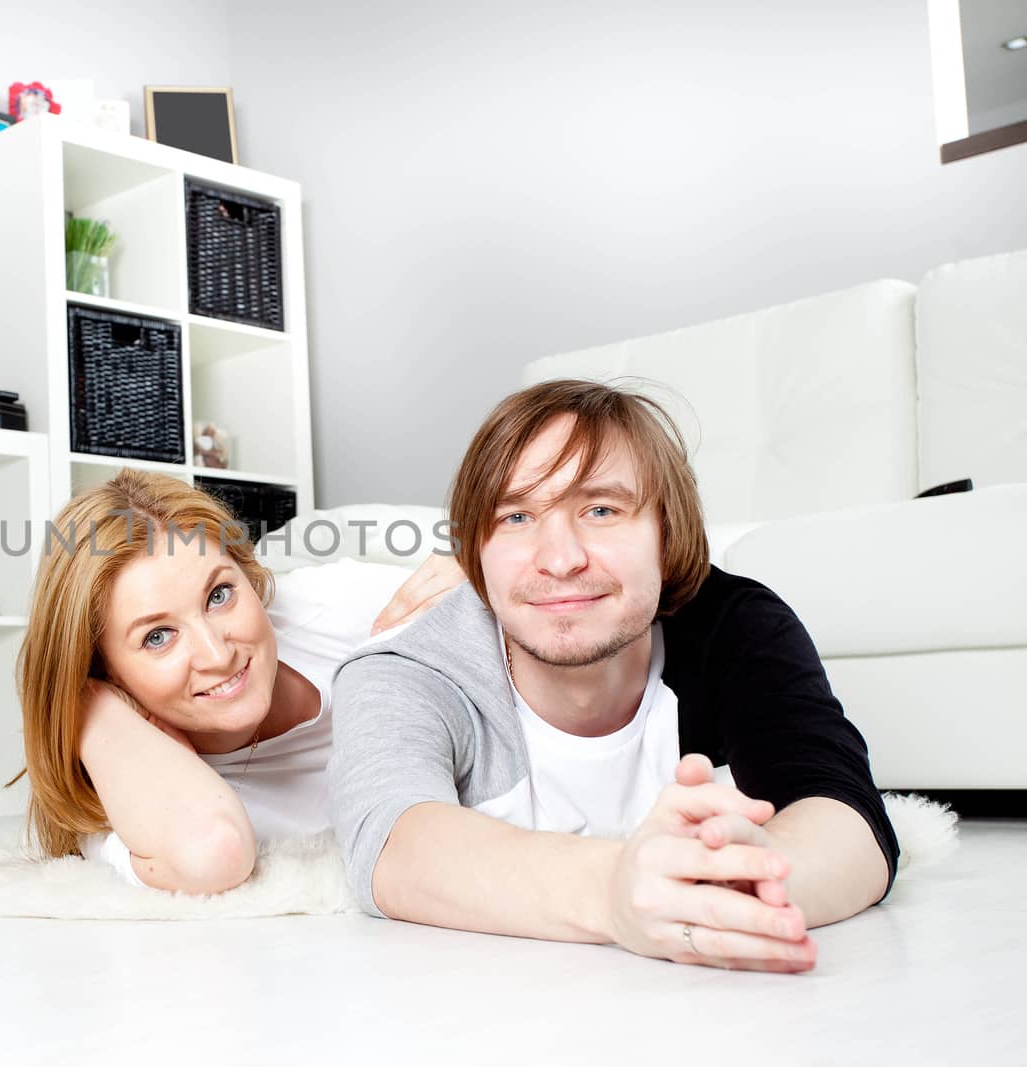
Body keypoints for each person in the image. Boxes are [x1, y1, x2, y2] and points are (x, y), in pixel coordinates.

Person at [329, 379, 899, 973]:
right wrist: (615, 892)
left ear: (667, 534)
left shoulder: (737, 625)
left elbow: (846, 818)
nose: (559, 558)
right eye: (517, 516)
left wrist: (735, 891)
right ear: (476, 551)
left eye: (601, 510)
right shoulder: (406, 668)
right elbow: (390, 844)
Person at [15, 469, 419, 894]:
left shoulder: (339, 606)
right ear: (105, 672)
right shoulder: (130, 795)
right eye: (157, 637)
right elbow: (214, 851)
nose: (217, 654)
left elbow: (486, 601)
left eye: (219, 595)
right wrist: (83, 705)